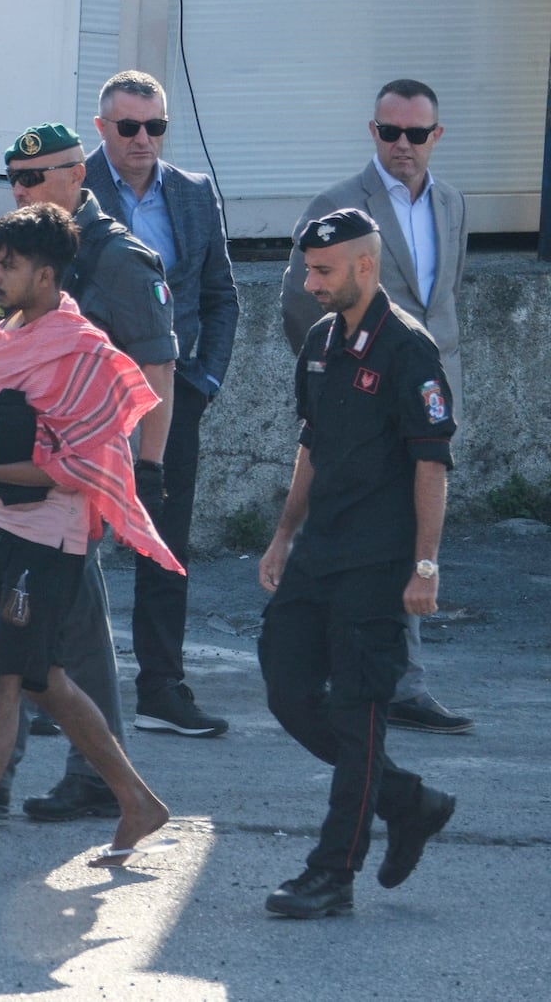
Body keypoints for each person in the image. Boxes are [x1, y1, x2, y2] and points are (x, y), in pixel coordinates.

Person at [0, 123, 175, 823]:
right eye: (16, 178)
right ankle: (91, 782)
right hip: (20, 489)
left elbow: (152, 369)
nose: (23, 188)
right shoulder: (22, 253)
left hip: (73, 482)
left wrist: (145, 469)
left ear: (77, 175)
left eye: (36, 177)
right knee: (55, 651)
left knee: (30, 661)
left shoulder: (117, 259)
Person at [258, 207, 457, 918]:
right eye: (308, 269)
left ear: (365, 267)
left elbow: (431, 464)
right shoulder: (318, 340)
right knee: (286, 688)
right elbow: (311, 443)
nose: (311, 283)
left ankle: (332, 873)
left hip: (378, 561)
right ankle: (408, 801)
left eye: (324, 270)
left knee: (358, 710)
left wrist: (425, 568)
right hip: (320, 551)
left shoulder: (408, 349)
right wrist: (284, 534)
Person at [279, 79, 472, 735]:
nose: (402, 145)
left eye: (416, 134)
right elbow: (300, 297)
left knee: (403, 531)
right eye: (390, 132)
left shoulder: (451, 203)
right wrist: (343, 369)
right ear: (373, 132)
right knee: (360, 530)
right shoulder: (339, 205)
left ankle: (388, 673)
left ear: (435, 137)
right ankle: (384, 674)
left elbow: (441, 302)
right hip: (359, 402)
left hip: (420, 400)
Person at [85, 71, 238, 737]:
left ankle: (162, 685)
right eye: (129, 127)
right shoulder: (68, 183)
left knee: (165, 545)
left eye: (155, 127)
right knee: (65, 543)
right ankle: (47, 688)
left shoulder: (194, 194)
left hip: (170, 401)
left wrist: (203, 383)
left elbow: (220, 296)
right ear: (102, 129)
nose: (144, 139)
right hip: (83, 404)